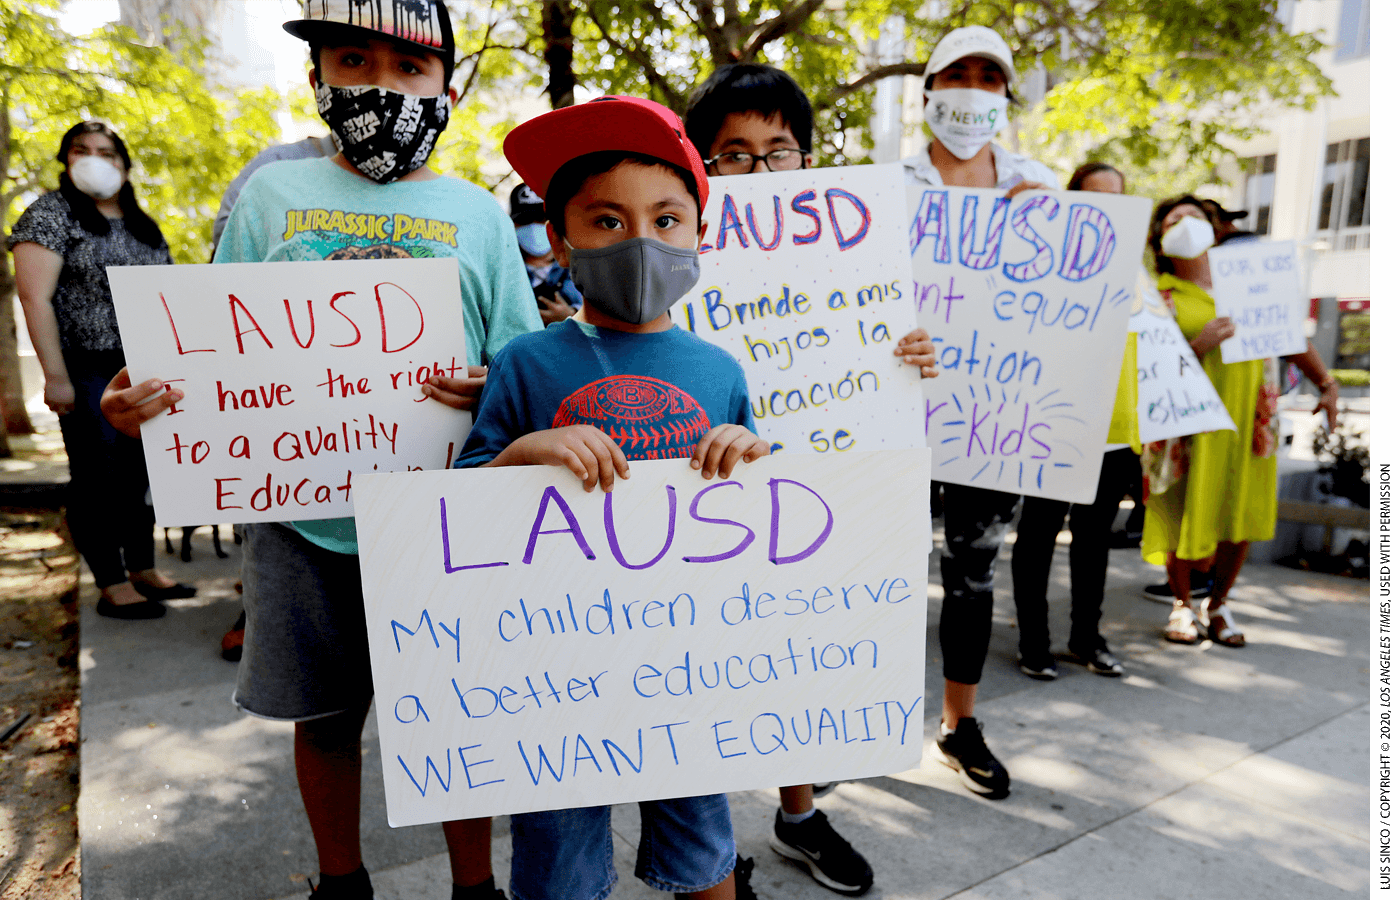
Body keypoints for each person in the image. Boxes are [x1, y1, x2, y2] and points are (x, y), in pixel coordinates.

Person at [100, 3, 541, 898]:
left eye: (411, 68)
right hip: (304, 524)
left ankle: (474, 887)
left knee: (459, 713)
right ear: (317, 81)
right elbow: (204, 356)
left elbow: (521, 365)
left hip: (446, 522)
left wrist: (492, 384)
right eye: (353, 60)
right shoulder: (270, 199)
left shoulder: (477, 215)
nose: (382, 85)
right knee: (326, 720)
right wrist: (139, 406)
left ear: (447, 90)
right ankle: (341, 882)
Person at [460, 94, 764, 900]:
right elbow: (457, 510)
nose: (641, 242)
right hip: (556, 671)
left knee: (706, 851)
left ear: (700, 235)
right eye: (607, 221)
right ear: (560, 238)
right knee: (557, 866)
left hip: (687, 664)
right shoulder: (527, 365)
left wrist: (749, 455)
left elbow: (763, 514)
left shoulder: (720, 371)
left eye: (667, 220)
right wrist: (524, 452)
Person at [682, 61, 937, 897]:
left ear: (806, 161)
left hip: (811, 494)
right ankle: (709, 851)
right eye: (735, 153)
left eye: (778, 151)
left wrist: (907, 361)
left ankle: (798, 815)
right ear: (701, 163)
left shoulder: (847, 254)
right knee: (706, 666)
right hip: (704, 493)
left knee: (795, 656)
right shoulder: (672, 247)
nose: (758, 171)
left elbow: (877, 356)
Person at [898, 25, 1057, 800]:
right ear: (927, 90)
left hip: (996, 414)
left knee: (972, 574)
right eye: (954, 73)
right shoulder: (886, 186)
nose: (969, 88)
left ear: (1005, 94)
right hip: (893, 409)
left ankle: (959, 725)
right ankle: (849, 721)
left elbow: (1074, 306)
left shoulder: (1041, 185)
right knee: (880, 571)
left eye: (987, 76)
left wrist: (1054, 229)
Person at [9, 121, 195, 620]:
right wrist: (55, 376)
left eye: (107, 152)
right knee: (96, 476)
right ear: (66, 160)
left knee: (142, 473)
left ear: (124, 164)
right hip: (86, 367)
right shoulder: (50, 214)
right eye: (82, 150)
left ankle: (143, 569)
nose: (95, 158)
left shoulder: (142, 223)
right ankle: (111, 582)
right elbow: (35, 297)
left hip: (143, 367)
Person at [1144, 195, 1338, 647]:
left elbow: (1289, 335)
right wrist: (1198, 345)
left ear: (1216, 230)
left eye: (1197, 218)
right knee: (1181, 509)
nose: (1187, 225)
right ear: (1160, 238)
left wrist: (1326, 383)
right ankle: (1181, 604)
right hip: (1187, 425)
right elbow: (1146, 366)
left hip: (1250, 422)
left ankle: (1220, 604)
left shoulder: (1250, 283)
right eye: (1175, 220)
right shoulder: (1157, 295)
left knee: (1241, 511)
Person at [211, 133, 338, 663]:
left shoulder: (463, 206)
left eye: (409, 66)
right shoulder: (270, 178)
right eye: (353, 60)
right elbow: (226, 281)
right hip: (288, 470)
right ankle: (256, 606)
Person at [1008, 162, 1134, 681]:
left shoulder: (1134, 268)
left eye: (1116, 197)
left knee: (1094, 540)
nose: (1105, 206)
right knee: (1037, 536)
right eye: (1092, 196)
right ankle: (1034, 642)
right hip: (1053, 422)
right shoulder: (1044, 259)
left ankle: (1087, 637)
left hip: (1115, 432)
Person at [508, 181, 581, 325]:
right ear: (513, 224)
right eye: (525, 220)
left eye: (542, 219)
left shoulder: (582, 269)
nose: (534, 227)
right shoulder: (504, 272)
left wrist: (571, 317)